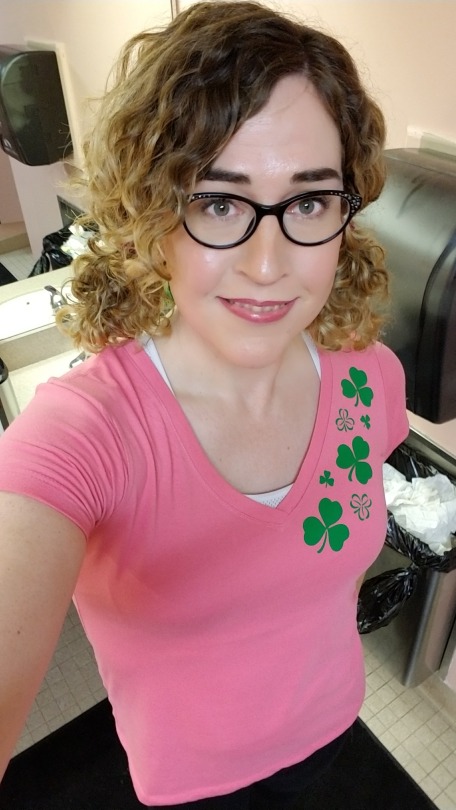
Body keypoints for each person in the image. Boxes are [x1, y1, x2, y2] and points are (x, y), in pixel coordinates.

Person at [0, 1, 409, 807]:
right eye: (219, 202)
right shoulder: (84, 433)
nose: (268, 264)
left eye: (309, 202)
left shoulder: (372, 379)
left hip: (332, 725)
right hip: (190, 782)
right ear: (155, 214)